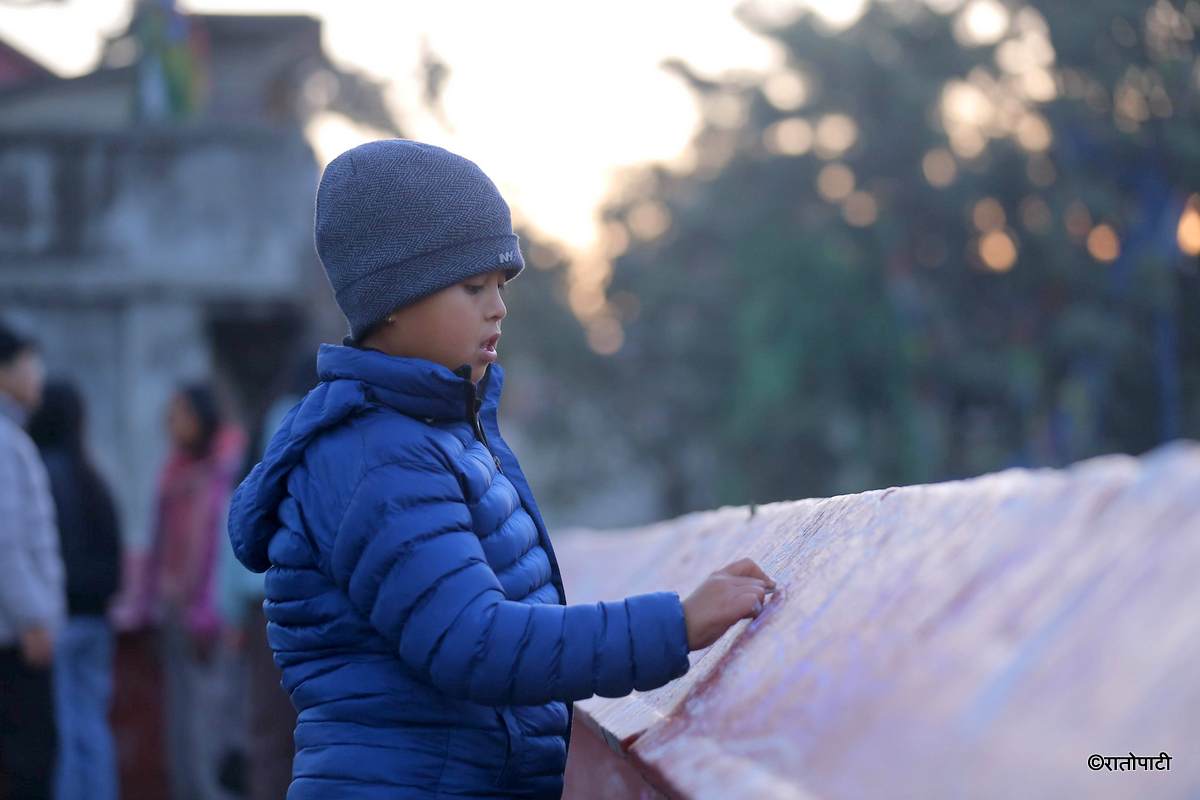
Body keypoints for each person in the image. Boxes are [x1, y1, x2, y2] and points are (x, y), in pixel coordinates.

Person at [226, 140, 776, 799]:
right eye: (472, 285)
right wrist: (676, 625)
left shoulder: (439, 434)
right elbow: (474, 639)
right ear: (393, 298)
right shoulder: (376, 457)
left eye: (501, 285)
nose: (498, 307)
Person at [137, 383, 246, 800]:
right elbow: (158, 545)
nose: (172, 423)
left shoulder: (225, 470)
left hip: (210, 615)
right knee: (179, 723)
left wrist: (209, 613)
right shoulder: (174, 472)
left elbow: (221, 550)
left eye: (181, 412)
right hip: (172, 612)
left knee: (210, 727)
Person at [27, 380, 123, 800]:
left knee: (61, 728)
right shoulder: (93, 476)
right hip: (97, 619)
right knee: (92, 725)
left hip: (61, 618)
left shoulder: (40, 473)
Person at [0, 321, 65, 800]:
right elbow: (6, 540)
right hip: (16, 637)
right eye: (29, 363)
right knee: (29, 766)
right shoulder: (5, 442)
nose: (36, 375)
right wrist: (34, 619)